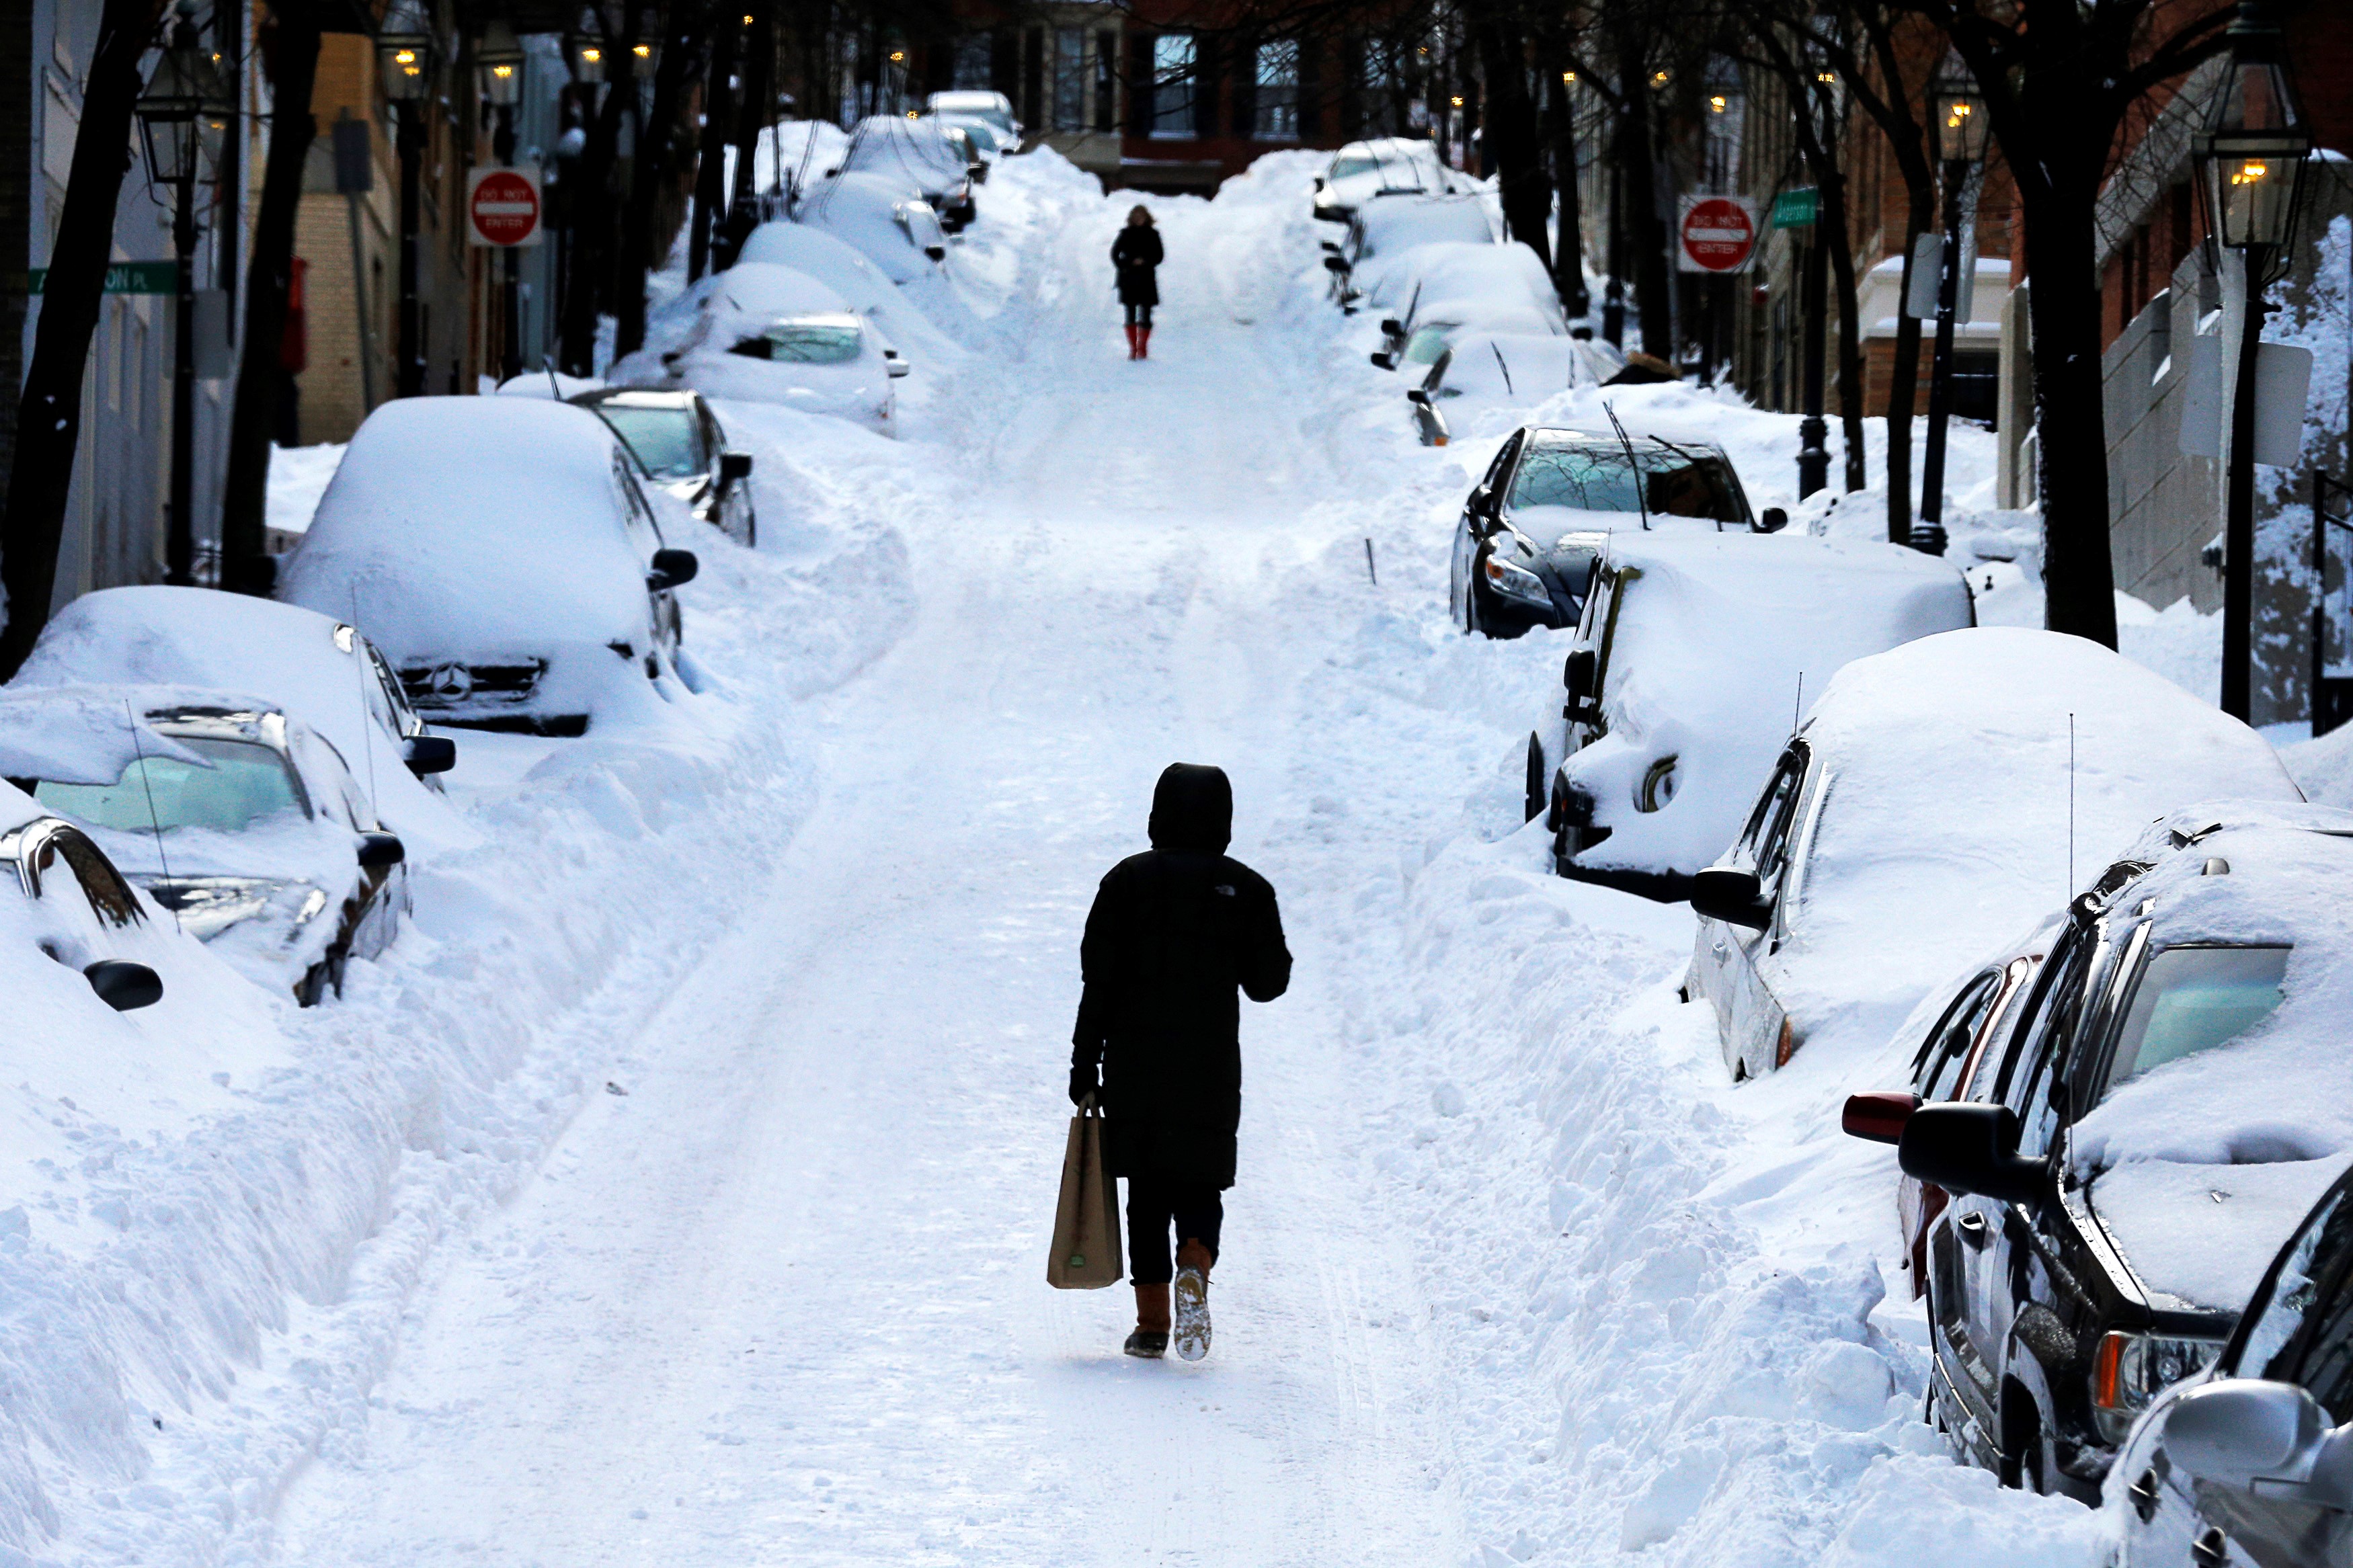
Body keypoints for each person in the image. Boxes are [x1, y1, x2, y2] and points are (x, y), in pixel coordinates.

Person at [1070, 764, 1289, 1361]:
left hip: (1136, 1067)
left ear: (1157, 814)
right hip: (1209, 1068)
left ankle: (1151, 1323)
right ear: (1224, 819)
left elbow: (1099, 983)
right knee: (1199, 1180)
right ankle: (1195, 1256)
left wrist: (1083, 1064)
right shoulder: (1246, 888)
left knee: (1145, 1190)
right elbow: (1270, 983)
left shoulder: (1124, 884)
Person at [1111, 206, 1164, 361]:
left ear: (1147, 218)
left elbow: (1159, 256)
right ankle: (1133, 348)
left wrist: (1146, 261)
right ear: (1132, 218)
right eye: (1136, 217)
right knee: (1130, 314)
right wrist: (1126, 264)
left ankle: (1143, 347)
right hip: (1128, 278)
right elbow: (1115, 254)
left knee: (1146, 314)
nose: (1139, 220)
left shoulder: (1154, 235)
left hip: (1146, 278)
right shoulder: (1125, 234)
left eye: (1142, 217)